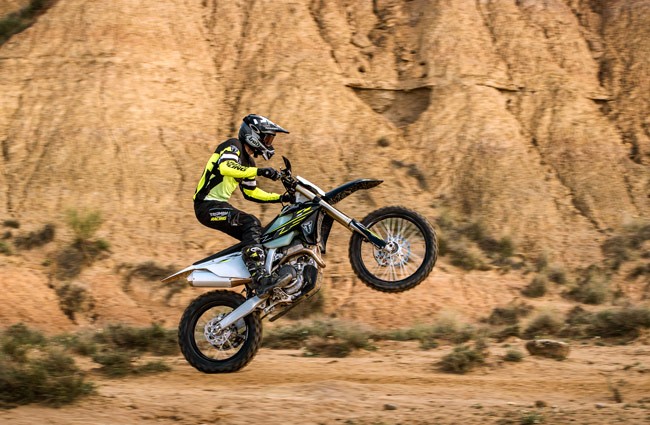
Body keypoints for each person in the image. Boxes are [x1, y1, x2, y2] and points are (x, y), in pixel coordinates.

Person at [193, 114, 292, 296]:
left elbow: (251, 193)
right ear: (253, 134)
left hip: (217, 205)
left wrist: (282, 198)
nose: (269, 144)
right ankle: (260, 278)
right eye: (267, 138)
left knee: (260, 235)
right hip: (206, 205)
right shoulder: (233, 146)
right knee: (250, 222)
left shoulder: (248, 162)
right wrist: (260, 171)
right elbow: (226, 167)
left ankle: (255, 281)